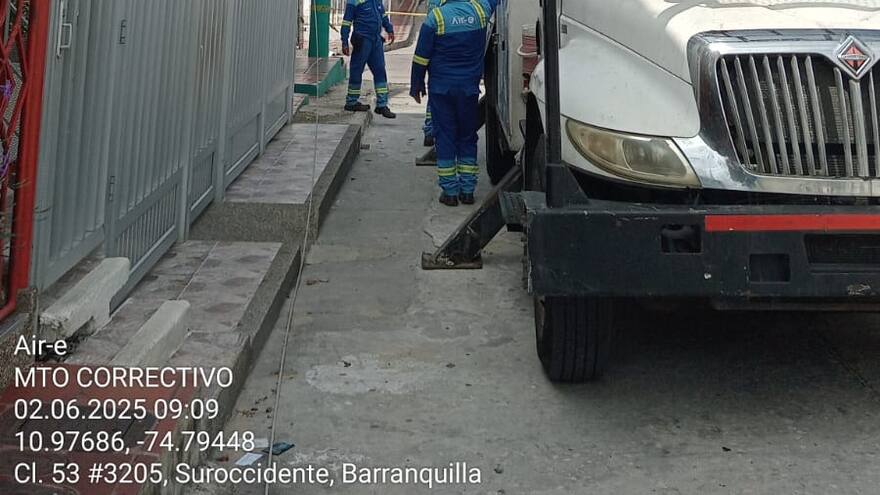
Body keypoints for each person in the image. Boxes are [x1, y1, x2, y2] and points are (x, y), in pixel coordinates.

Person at [410, 0, 496, 206]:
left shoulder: (436, 18)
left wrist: (416, 86)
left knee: (445, 136)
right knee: (467, 135)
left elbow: (421, 57)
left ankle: (449, 192)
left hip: (442, 90)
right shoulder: (480, 10)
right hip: (468, 89)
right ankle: (467, 190)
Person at [341, 0, 396, 119]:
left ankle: (382, 105)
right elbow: (346, 21)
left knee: (380, 70)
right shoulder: (354, 1)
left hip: (376, 40)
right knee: (357, 70)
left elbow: (383, 15)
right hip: (362, 39)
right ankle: (351, 102)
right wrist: (344, 41)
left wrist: (389, 29)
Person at [421, 0, 445, 148]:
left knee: (435, 96)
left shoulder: (434, 4)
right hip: (448, 54)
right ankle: (433, 131)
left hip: (436, 55)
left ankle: (430, 131)